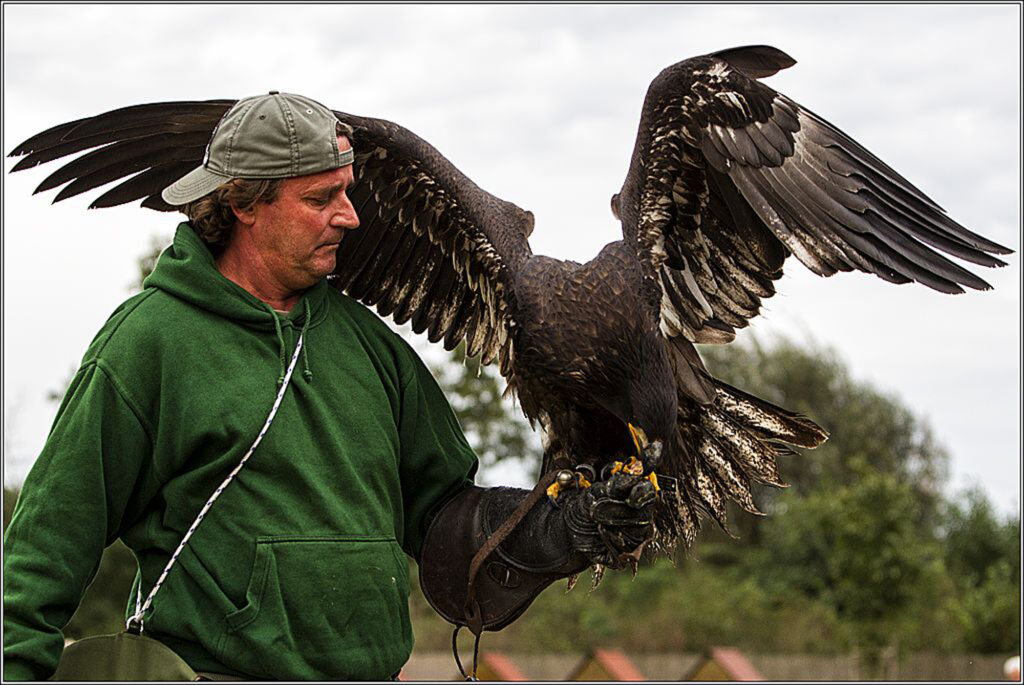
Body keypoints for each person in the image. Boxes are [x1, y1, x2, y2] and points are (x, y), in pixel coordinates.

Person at [2, 92, 655, 681]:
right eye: (321, 199)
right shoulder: (150, 346)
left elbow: (443, 517)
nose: (350, 217)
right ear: (243, 203)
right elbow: (39, 559)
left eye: (348, 192)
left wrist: (557, 527)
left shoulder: (373, 352)